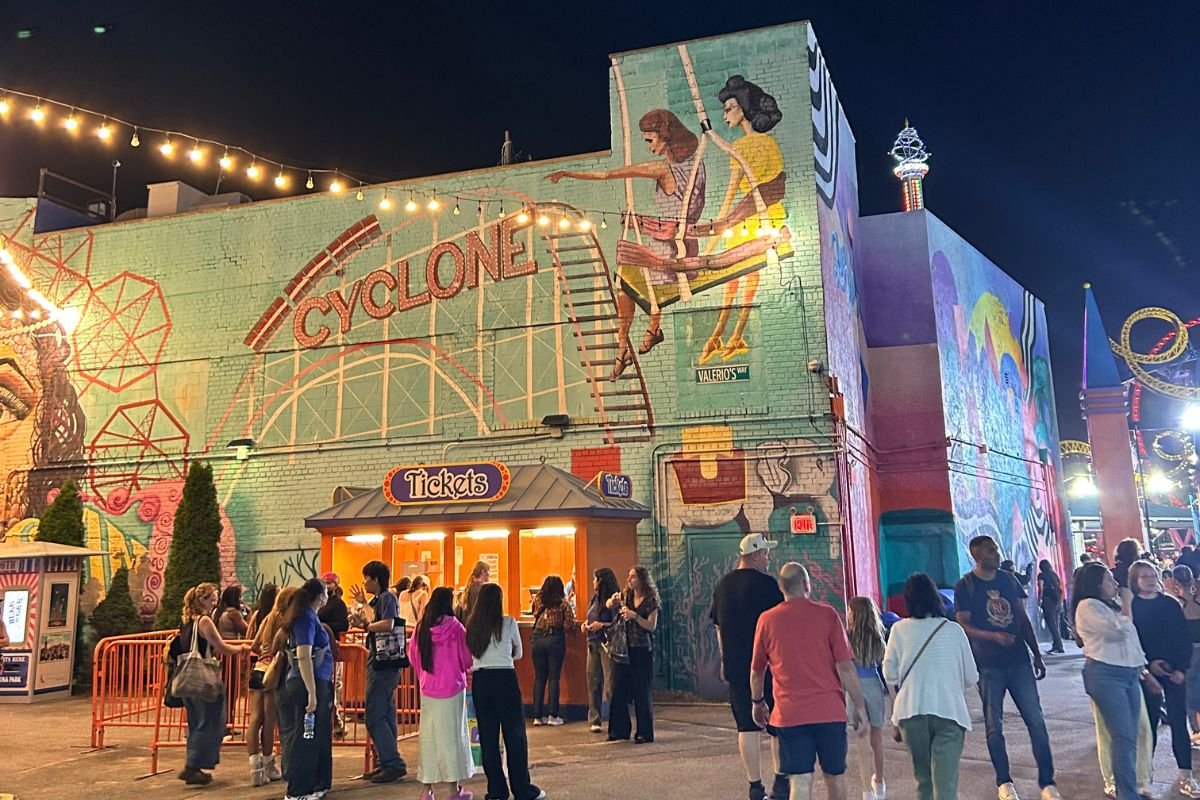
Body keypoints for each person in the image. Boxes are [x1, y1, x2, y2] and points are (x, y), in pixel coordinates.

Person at [546, 109, 706, 379]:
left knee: (627, 276)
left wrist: (569, 174)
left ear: (665, 136)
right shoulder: (696, 165)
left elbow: (610, 174)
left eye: (650, 140)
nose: (649, 145)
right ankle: (631, 343)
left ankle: (638, 337)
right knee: (624, 276)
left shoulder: (663, 169)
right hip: (682, 243)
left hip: (670, 249)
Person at [954, 535, 1060, 800]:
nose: (997, 553)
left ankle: (1047, 783)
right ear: (978, 556)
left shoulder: (1008, 580)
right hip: (988, 666)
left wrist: (1036, 653)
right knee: (994, 725)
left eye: (996, 549)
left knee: (1036, 721)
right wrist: (993, 636)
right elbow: (963, 624)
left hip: (1019, 661)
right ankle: (1004, 782)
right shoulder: (966, 586)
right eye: (991, 551)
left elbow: (1022, 618)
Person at [750, 562, 865, 800]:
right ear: (806, 584)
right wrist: (859, 707)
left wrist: (757, 702)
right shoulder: (828, 615)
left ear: (781, 587)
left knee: (800, 781)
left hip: (790, 716)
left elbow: (757, 671)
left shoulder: (767, 620)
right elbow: (845, 666)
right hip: (830, 713)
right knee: (835, 777)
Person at [883, 573, 977, 800]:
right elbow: (971, 677)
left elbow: (890, 674)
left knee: (923, 780)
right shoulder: (954, 631)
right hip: (949, 713)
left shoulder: (898, 630)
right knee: (945, 785)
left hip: (911, 713)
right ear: (936, 598)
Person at [1074, 561, 1162, 800]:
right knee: (1122, 736)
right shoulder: (1087, 606)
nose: (1115, 584)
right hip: (1106, 675)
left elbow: (1131, 643)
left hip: (1130, 674)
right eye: (1109, 580)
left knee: (1132, 734)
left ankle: (1132, 787)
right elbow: (1116, 631)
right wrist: (1128, 605)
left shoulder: (1111, 606)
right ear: (1096, 584)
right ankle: (1126, 792)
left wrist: (1145, 672)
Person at [710, 533, 787, 800]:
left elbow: (718, 627)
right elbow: (779, 624)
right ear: (754, 555)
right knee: (777, 724)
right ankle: (781, 784)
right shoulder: (768, 585)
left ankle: (755, 786)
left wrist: (724, 659)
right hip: (767, 665)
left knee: (746, 727)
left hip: (736, 666)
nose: (768, 557)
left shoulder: (722, 585)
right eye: (765, 553)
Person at [465, 583, 546, 800]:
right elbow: (518, 652)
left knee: (488, 738)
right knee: (515, 735)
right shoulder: (508, 622)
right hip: (505, 678)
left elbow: (470, 654)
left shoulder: (472, 626)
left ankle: (496, 791)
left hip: (481, 681)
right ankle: (522, 789)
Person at [1129, 560, 1200, 796]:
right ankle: (1144, 778)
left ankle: (1185, 776)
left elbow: (1182, 638)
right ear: (1135, 581)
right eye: (1143, 576)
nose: (1149, 579)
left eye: (1152, 574)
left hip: (1174, 673)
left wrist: (1180, 668)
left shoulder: (1169, 605)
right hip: (1147, 675)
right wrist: (1149, 667)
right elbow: (1133, 641)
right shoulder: (1132, 608)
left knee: (1179, 723)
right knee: (1147, 726)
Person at [175, 582, 250, 786]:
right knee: (210, 720)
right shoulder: (204, 621)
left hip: (187, 679)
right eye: (212, 599)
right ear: (203, 600)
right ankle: (194, 765)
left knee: (197, 721)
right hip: (203, 678)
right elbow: (220, 646)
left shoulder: (186, 621)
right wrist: (240, 648)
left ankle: (194, 764)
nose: (215, 603)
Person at [410, 586, 475, 800]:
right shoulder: (456, 627)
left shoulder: (421, 628)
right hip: (453, 690)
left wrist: (424, 677)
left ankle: (426, 790)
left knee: (429, 738)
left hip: (428, 689)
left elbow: (414, 657)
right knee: (453, 738)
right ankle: (453, 790)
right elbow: (467, 659)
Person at [350, 560, 408, 784]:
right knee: (385, 713)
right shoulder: (383, 599)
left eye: (366, 577)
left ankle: (392, 762)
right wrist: (365, 609)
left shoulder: (388, 598)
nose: (364, 581)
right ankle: (387, 761)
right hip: (384, 663)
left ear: (375, 579)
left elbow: (389, 623)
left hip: (383, 664)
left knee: (375, 715)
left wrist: (365, 626)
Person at [277, 578, 334, 800]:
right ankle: (299, 789)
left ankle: (316, 784)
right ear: (320, 596)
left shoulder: (306, 617)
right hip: (308, 685)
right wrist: (312, 692)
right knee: (307, 734)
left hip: (312, 683)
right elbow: (303, 654)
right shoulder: (306, 619)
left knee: (314, 734)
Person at [608, 565, 660, 743]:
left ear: (642, 580)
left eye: (633, 577)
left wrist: (635, 616)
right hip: (624, 648)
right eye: (629, 576)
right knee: (619, 689)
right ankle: (619, 730)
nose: (629, 580)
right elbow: (608, 604)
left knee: (641, 691)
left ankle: (644, 732)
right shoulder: (626, 595)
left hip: (641, 649)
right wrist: (613, 602)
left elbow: (651, 626)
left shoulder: (650, 600)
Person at [847, 596, 889, 800]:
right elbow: (883, 665)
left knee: (861, 739)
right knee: (877, 739)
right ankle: (879, 783)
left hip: (854, 688)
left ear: (854, 613)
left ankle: (866, 791)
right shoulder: (877, 636)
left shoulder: (847, 637)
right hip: (874, 686)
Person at [246, 585, 288, 786]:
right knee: (269, 722)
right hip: (273, 672)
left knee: (254, 719)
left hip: (258, 668)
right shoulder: (284, 620)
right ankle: (269, 764)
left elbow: (253, 645)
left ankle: (255, 769)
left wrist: (263, 652)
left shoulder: (266, 619)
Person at [583, 567, 620, 733]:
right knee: (593, 681)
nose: (593, 582)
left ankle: (615, 718)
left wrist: (602, 625)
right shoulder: (595, 598)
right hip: (592, 642)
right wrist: (586, 624)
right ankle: (594, 718)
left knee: (610, 683)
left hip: (606, 644)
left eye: (595, 579)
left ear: (601, 581)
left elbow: (618, 623)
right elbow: (591, 615)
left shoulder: (614, 600)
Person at [530, 574, 571, 726]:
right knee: (554, 678)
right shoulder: (563, 604)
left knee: (539, 678)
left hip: (537, 638)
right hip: (555, 639)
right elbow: (568, 624)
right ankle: (553, 715)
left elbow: (534, 613)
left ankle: (537, 716)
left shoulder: (538, 601)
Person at [1169, 565, 1200, 741]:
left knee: (1190, 689)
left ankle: (1196, 729)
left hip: (1189, 651)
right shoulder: (1197, 601)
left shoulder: (1178, 603)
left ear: (1176, 581)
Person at [1035, 561, 1066, 655]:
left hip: (1048, 600)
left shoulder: (1041, 575)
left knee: (1051, 624)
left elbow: (1041, 588)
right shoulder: (1054, 574)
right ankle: (1056, 645)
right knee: (1055, 624)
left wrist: (1039, 599)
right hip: (1057, 600)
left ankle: (1059, 645)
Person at [318, 572, 350, 641]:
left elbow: (343, 625)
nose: (326, 586)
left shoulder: (338, 603)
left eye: (328, 583)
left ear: (336, 586)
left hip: (330, 641)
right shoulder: (319, 602)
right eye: (323, 583)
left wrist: (322, 625)